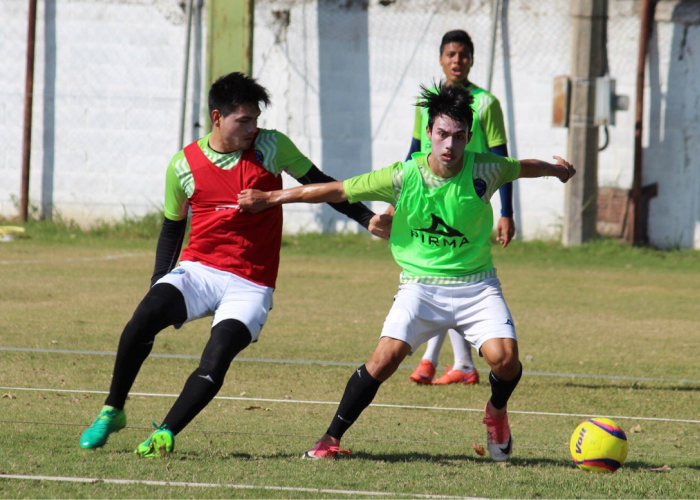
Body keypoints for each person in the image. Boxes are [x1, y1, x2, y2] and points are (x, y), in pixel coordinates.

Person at [238, 82, 575, 462]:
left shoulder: (485, 169)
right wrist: (270, 197)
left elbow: (523, 167)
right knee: (384, 359)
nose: (450, 145)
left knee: (506, 360)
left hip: (476, 286)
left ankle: (496, 412)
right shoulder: (403, 175)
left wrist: (555, 169)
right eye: (442, 135)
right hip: (420, 287)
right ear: (428, 133)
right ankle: (330, 438)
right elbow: (336, 190)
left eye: (459, 137)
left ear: (468, 138)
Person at [78, 72, 384, 457]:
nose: (253, 128)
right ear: (217, 117)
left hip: (251, 283)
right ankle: (112, 410)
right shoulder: (183, 165)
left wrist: (365, 218)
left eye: (256, 119)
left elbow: (321, 183)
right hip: (200, 269)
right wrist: (159, 282)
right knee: (141, 319)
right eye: (244, 120)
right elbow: (173, 228)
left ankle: (165, 433)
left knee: (218, 354)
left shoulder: (271, 146)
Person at [408, 29, 515, 386]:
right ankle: (448, 363)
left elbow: (502, 161)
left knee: (452, 272)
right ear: (441, 58)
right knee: (435, 273)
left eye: (464, 55)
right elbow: (412, 154)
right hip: (427, 201)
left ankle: (443, 362)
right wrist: (400, 203)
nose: (457, 61)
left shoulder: (486, 103)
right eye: (451, 54)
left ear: (472, 59)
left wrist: (507, 212)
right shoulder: (429, 105)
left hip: (467, 202)